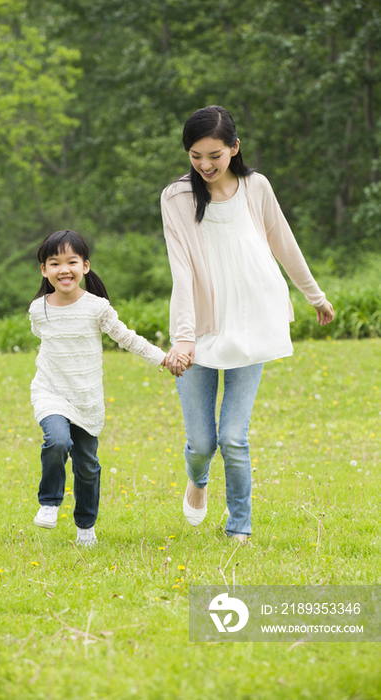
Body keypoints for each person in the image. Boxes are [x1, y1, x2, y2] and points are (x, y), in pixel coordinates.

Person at [161, 105, 334, 545]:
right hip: (200, 327)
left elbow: (284, 242)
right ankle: (197, 480)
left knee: (234, 438)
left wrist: (314, 295)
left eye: (214, 155)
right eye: (195, 155)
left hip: (253, 318)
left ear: (234, 148)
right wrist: (183, 338)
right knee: (203, 442)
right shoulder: (176, 198)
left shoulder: (256, 187)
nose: (204, 164)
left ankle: (239, 526)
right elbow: (181, 271)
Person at [28, 230, 181, 546]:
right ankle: (49, 501)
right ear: (44, 270)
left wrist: (162, 358)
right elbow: (42, 337)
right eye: (55, 263)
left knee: (87, 468)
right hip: (50, 392)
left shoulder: (97, 307)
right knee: (56, 441)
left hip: (86, 399)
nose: (64, 269)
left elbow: (126, 338)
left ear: (85, 266)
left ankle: (86, 527)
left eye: (71, 261)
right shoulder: (38, 309)